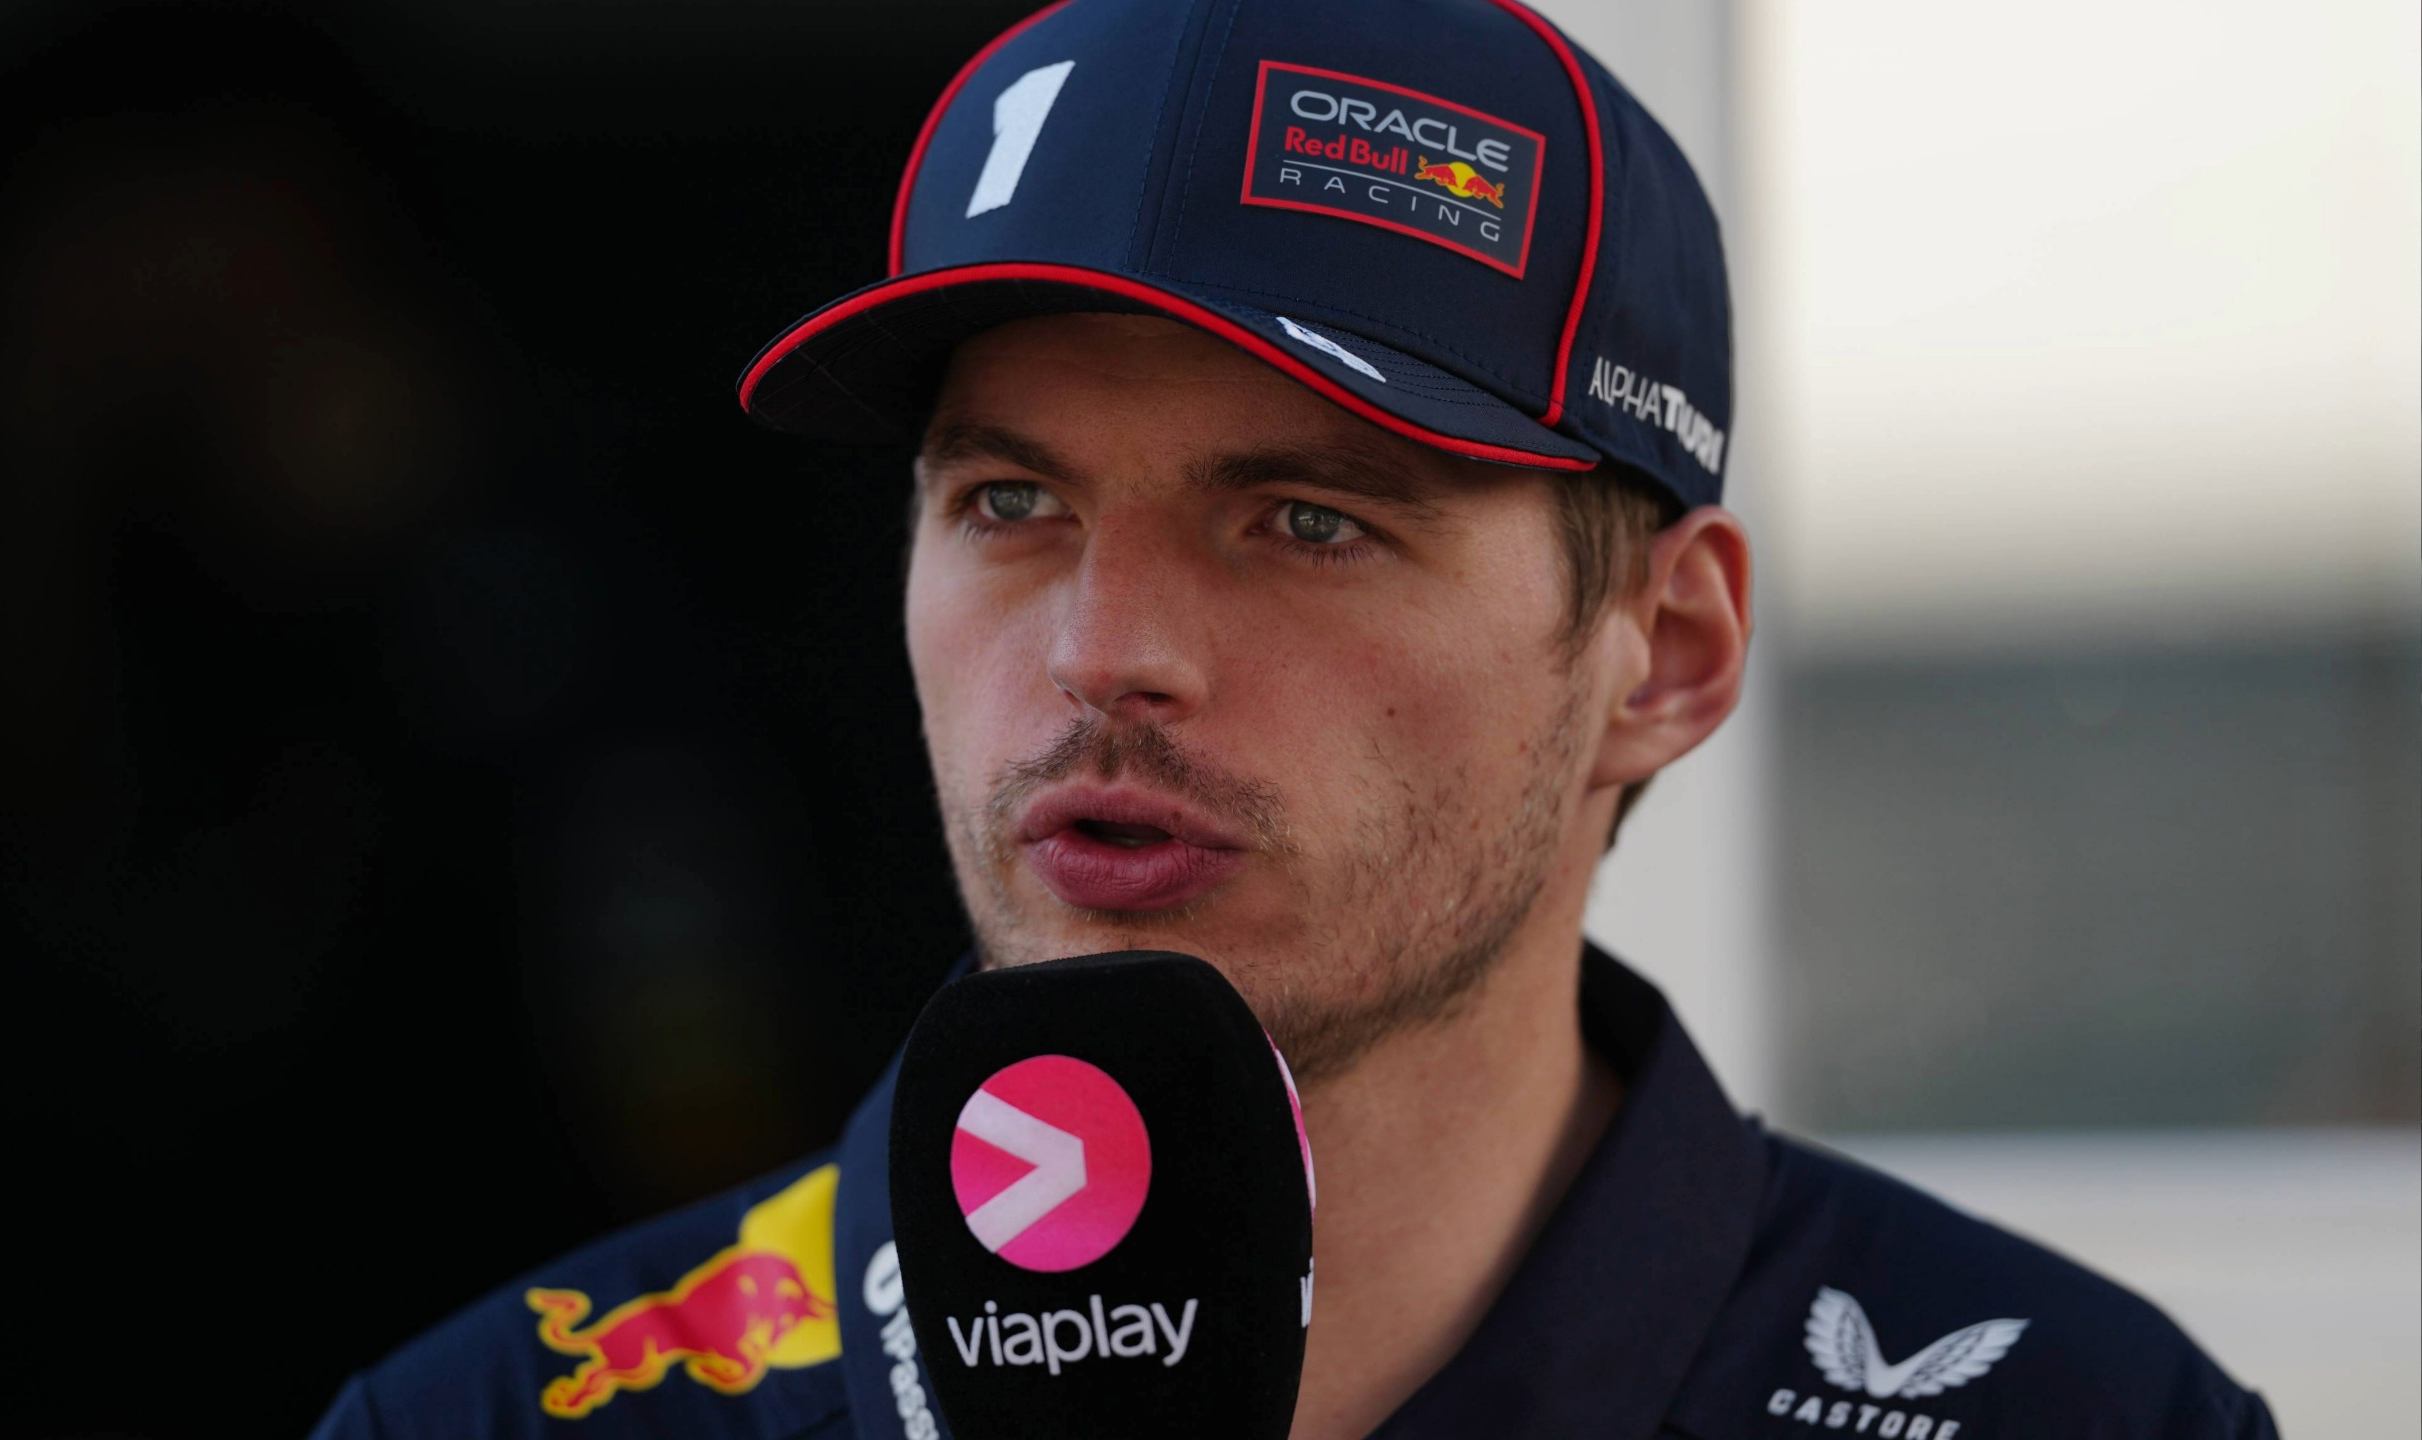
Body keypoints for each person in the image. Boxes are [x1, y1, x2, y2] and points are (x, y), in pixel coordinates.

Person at [311, 1, 2280, 1436]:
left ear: (1666, 654)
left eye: (1307, 520)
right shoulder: (497, 1420)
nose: (1102, 652)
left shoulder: (2082, 1417)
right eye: (1009, 501)